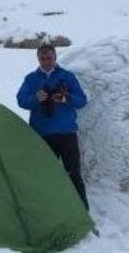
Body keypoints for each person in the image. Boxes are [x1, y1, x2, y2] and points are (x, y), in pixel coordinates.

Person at [16, 44, 89, 210]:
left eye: (49, 57)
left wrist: (67, 98)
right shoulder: (31, 79)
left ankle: (82, 210)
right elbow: (21, 100)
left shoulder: (67, 77)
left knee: (73, 173)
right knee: (44, 174)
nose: (46, 61)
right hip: (42, 134)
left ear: (55, 57)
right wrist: (36, 98)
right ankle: (47, 210)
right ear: (38, 59)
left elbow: (82, 100)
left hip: (67, 134)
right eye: (43, 58)